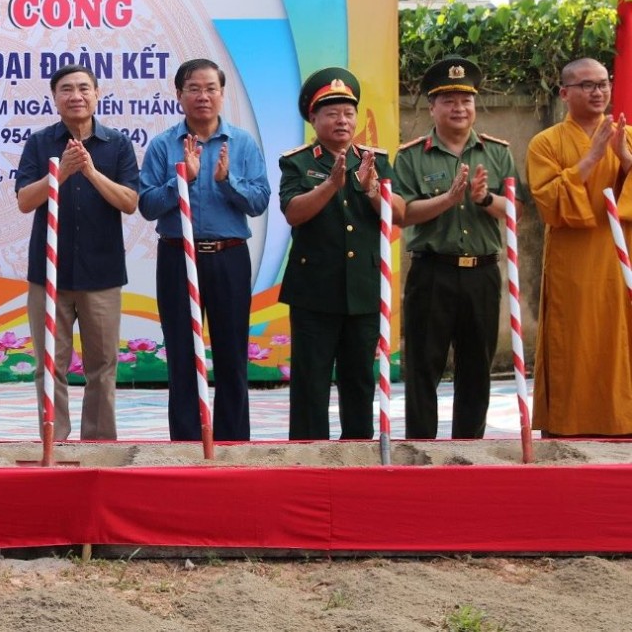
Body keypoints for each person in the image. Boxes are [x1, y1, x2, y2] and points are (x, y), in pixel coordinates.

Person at [138, 58, 270, 442]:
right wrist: (183, 178)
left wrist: (229, 183)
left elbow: (259, 201)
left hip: (228, 256)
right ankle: (185, 443)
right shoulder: (164, 145)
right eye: (193, 88)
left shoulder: (241, 143)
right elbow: (147, 205)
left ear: (222, 94)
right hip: (178, 256)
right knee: (181, 354)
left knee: (232, 355)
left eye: (211, 88)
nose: (203, 96)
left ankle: (233, 443)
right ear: (179, 95)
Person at [394, 57, 520, 440]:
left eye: (466, 100)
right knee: (422, 367)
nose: (459, 108)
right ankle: (421, 450)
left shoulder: (498, 152)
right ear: (432, 107)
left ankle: (470, 450)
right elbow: (404, 214)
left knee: (477, 368)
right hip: (433, 271)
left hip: (482, 272)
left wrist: (483, 199)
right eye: (448, 100)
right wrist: (447, 200)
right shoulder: (412, 155)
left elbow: (515, 210)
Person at [278, 67, 404, 440]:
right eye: (332, 113)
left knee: (359, 382)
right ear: (313, 118)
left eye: (348, 113)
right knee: (310, 383)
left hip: (363, 290)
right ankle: (307, 456)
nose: (342, 120)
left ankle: (358, 456)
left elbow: (399, 214)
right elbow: (293, 212)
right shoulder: (298, 162)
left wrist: (371, 192)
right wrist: (332, 184)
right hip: (314, 291)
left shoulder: (374, 160)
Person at [15, 64, 138, 441]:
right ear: (55, 99)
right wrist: (62, 173)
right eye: (66, 89)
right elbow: (24, 201)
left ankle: (99, 444)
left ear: (97, 94)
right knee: (50, 364)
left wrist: (90, 172)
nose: (76, 96)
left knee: (102, 364)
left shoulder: (118, 145)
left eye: (84, 88)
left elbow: (130, 202)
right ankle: (56, 440)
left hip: (102, 273)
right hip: (49, 274)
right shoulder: (39, 144)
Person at [527, 57, 632, 436]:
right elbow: (550, 202)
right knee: (574, 339)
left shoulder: (628, 135)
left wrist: (625, 161)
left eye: (603, 83)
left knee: (622, 338)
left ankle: (623, 422)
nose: (598, 91)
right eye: (587, 85)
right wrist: (590, 158)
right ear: (565, 92)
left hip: (621, 257)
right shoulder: (546, 143)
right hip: (574, 261)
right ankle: (568, 426)